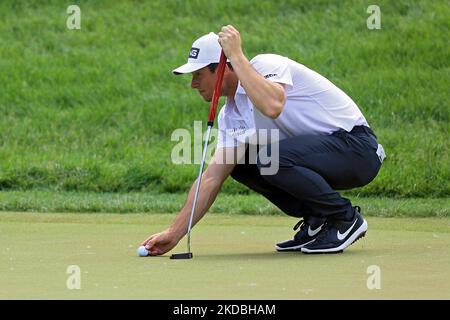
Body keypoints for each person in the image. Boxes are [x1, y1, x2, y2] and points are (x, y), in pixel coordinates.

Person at [141, 25, 385, 255]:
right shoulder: (231, 114)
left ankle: (344, 218)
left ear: (222, 67)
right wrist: (175, 233)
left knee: (272, 158)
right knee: (241, 162)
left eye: (198, 74)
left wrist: (235, 54)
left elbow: (272, 105)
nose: (193, 84)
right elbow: (211, 178)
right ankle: (317, 219)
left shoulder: (267, 64)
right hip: (324, 158)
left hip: (357, 150)